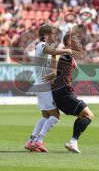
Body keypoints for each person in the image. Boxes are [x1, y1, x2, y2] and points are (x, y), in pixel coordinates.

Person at [25, 24, 73, 152]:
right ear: (46, 35)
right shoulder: (41, 45)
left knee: (46, 116)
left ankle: (31, 140)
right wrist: (67, 50)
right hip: (44, 86)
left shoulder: (44, 47)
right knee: (55, 116)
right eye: (52, 34)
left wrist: (53, 71)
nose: (55, 36)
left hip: (41, 85)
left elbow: (52, 54)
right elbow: (51, 51)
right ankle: (38, 141)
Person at [52, 32, 94, 153]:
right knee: (88, 115)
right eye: (76, 40)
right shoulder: (65, 53)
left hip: (62, 92)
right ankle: (73, 141)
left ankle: (73, 141)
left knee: (83, 116)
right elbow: (52, 52)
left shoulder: (68, 55)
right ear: (70, 42)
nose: (79, 42)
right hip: (64, 93)